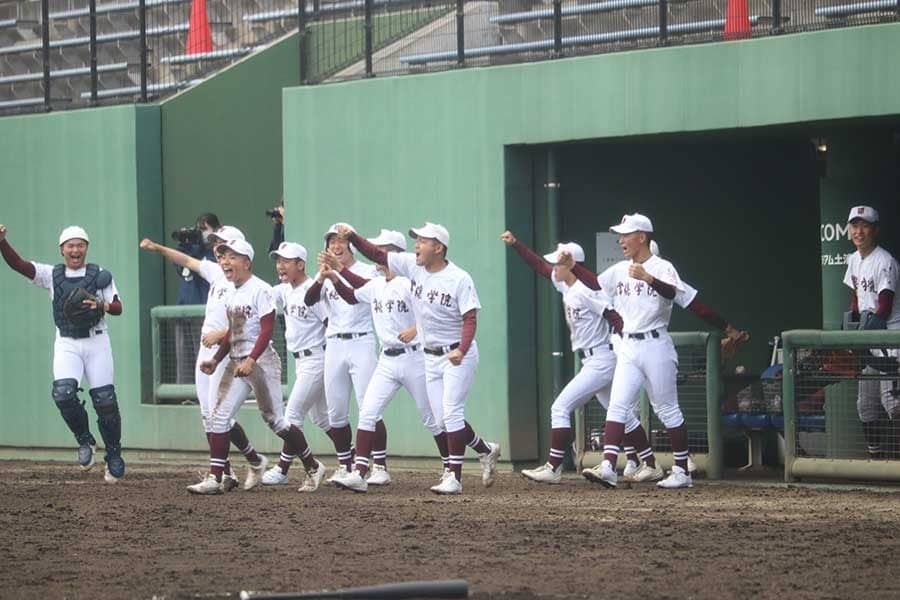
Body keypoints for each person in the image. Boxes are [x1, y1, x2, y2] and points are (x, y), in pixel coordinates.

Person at [338, 222, 500, 495]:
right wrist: (352, 236)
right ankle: (485, 450)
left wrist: (461, 348)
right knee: (441, 419)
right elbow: (377, 256)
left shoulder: (459, 278)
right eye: (415, 240)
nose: (416, 245)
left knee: (450, 412)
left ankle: (454, 477)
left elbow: (470, 318)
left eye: (422, 241)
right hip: (429, 356)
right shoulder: (413, 267)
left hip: (457, 354)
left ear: (438, 247)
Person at [501, 231, 660, 484]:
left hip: (601, 359)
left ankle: (553, 467)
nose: (554, 267)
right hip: (592, 359)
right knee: (624, 415)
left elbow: (613, 316)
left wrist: (629, 345)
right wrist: (516, 245)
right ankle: (651, 463)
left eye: (559, 263)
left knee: (560, 407)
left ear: (571, 265)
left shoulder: (588, 291)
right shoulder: (565, 284)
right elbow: (540, 267)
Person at [566, 213, 693, 489]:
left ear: (642, 237)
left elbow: (672, 293)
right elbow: (596, 283)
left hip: (656, 344)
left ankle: (682, 471)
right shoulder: (620, 269)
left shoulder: (661, 266)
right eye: (620, 235)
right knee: (618, 404)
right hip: (628, 346)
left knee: (667, 409)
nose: (621, 240)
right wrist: (573, 267)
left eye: (626, 235)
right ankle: (609, 466)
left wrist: (649, 278)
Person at [139, 226, 268, 491]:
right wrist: (157, 248)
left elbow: (247, 321)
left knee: (218, 415)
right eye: (218, 247)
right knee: (208, 414)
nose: (219, 252)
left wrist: (221, 334)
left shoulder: (242, 283)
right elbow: (186, 260)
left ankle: (221, 473)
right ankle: (240, 467)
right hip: (206, 350)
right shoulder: (216, 272)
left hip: (227, 350)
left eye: (225, 247)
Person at [190, 238, 321, 495]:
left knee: (275, 421)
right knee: (218, 416)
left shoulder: (260, 289)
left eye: (233, 257)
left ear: (247, 262)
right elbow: (233, 333)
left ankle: (313, 466)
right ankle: (216, 477)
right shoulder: (230, 292)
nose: (226, 262)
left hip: (261, 363)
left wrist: (251, 360)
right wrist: (216, 359)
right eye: (224, 257)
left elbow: (267, 329)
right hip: (236, 361)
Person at [322, 229, 448, 493]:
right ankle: (359, 471)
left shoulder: (411, 282)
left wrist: (416, 329)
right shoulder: (377, 283)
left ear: (396, 254)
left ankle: (450, 466)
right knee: (368, 412)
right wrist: (335, 273)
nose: (376, 254)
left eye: (382, 249)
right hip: (387, 360)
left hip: (414, 357)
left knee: (432, 417)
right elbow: (352, 292)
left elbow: (431, 311)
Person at [0, 224, 125, 482]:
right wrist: (2, 242)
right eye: (70, 245)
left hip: (96, 341)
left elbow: (118, 307)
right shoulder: (52, 274)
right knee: (63, 393)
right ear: (62, 249)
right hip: (67, 342)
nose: (75, 249)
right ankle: (85, 441)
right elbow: (19, 265)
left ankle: (113, 454)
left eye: (80, 244)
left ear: (86, 248)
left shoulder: (100, 275)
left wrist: (101, 304)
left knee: (105, 400)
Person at [304, 224, 381, 481]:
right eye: (331, 242)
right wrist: (321, 276)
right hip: (334, 343)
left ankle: (379, 465)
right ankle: (345, 465)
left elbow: (364, 294)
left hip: (361, 340)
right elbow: (309, 299)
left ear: (351, 244)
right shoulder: (324, 273)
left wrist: (339, 272)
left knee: (368, 405)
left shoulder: (366, 270)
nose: (336, 246)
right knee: (336, 411)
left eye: (341, 241)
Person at [260, 241, 331, 492]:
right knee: (322, 418)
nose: (280, 265)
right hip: (301, 361)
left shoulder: (313, 290)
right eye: (278, 261)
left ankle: (282, 468)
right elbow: (263, 292)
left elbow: (330, 324)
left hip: (317, 358)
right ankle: (352, 460)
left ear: (300, 264)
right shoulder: (285, 290)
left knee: (291, 416)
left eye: (286, 261)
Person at [842, 205, 900, 459]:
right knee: (865, 405)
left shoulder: (885, 261)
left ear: (875, 229)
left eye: (864, 225)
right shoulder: (853, 260)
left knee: (893, 403)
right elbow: (856, 298)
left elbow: (884, 306)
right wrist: (853, 327)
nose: (859, 231)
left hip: (890, 340)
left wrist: (861, 336)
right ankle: (875, 461)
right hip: (869, 339)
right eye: (855, 226)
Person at [173, 213, 220, 385]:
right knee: (184, 356)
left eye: (203, 230)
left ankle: (206, 391)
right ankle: (184, 393)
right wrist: (185, 243)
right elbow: (179, 266)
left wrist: (202, 246)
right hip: (184, 309)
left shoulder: (217, 253)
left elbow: (206, 267)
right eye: (198, 229)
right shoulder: (190, 250)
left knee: (205, 355)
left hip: (204, 313)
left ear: (214, 230)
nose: (200, 234)